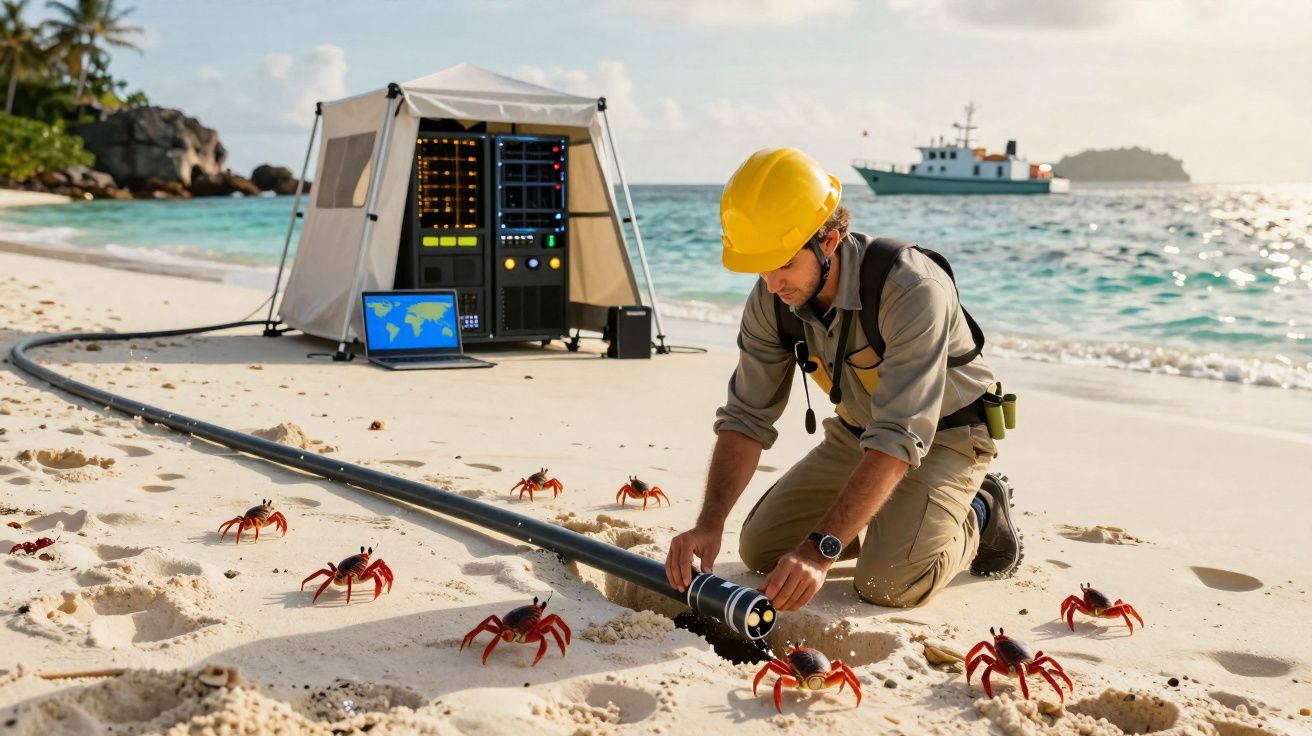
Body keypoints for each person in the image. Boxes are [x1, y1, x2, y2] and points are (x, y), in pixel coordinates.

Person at [663, 148, 1022, 612]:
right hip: (858, 434)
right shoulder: (773, 295)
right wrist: (709, 524)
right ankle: (896, 518)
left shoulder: (913, 288)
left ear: (829, 241)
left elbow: (899, 433)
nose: (771, 284)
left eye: (784, 263)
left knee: (888, 584)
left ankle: (981, 510)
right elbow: (746, 417)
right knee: (762, 551)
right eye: (761, 266)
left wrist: (820, 551)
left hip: (948, 435)